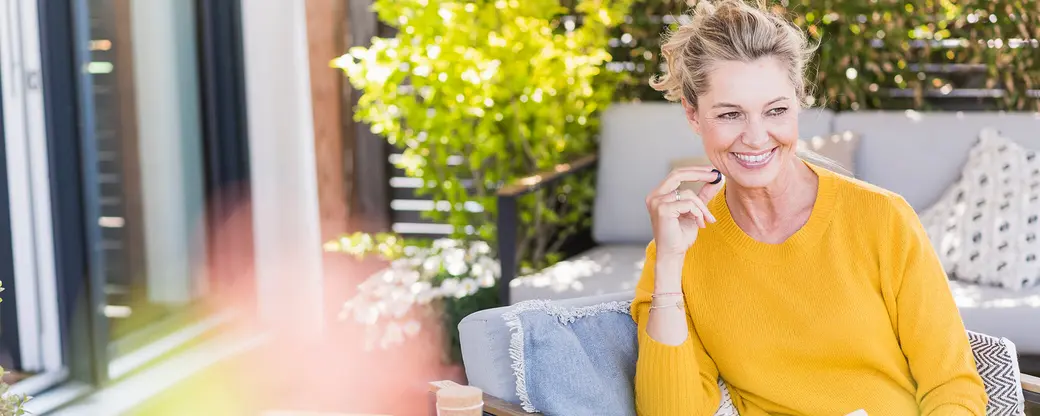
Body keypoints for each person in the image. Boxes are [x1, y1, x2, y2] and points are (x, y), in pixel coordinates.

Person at [631, 0, 988, 414]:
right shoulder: (678, 250)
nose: (756, 136)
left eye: (776, 110)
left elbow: (953, 386)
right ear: (693, 115)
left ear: (800, 101)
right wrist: (671, 264)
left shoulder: (883, 218)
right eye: (730, 114)